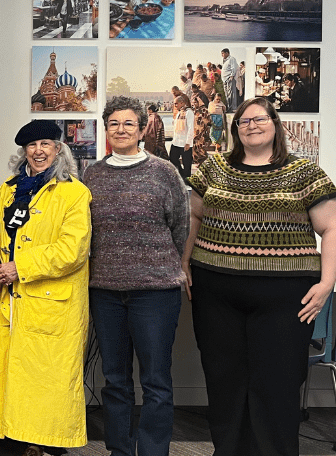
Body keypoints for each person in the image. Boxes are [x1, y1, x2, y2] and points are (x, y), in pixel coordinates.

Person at [183, 97, 336, 456]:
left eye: (260, 119)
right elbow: (192, 218)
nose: (252, 126)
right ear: (235, 129)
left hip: (286, 299)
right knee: (224, 381)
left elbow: (333, 228)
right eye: (243, 121)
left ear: (275, 124)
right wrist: (184, 263)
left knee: (277, 384)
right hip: (216, 294)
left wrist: (327, 283)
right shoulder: (213, 168)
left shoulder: (305, 173)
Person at [83, 97, 189, 456]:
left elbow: (180, 226)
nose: (121, 130)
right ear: (106, 129)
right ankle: (120, 451)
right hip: (105, 292)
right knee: (115, 380)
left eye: (129, 123)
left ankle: (154, 452)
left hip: (155, 293)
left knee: (156, 380)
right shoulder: (91, 174)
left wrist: (159, 265)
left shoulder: (164, 172)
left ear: (143, 129)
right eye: (114, 123)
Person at [0, 119, 92, 455]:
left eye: (46, 144)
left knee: (49, 388)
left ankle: (47, 448)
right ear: (24, 151)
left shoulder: (74, 192)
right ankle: (18, 445)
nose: (39, 151)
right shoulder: (9, 190)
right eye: (32, 145)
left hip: (51, 305)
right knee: (14, 385)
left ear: (59, 149)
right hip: (10, 301)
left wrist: (21, 267)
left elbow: (72, 251)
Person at [168, 94, 194, 180]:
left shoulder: (189, 112)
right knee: (172, 159)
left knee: (187, 163)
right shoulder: (179, 113)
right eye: (174, 104)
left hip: (185, 142)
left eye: (176, 104)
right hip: (176, 141)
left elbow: (190, 128)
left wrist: (188, 142)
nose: (175, 105)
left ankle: (187, 179)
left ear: (182, 103)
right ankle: (181, 174)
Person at [191, 94, 212, 166]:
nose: (194, 104)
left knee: (201, 148)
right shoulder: (194, 110)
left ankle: (203, 163)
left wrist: (205, 131)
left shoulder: (204, 110)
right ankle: (198, 162)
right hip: (195, 132)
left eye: (195, 102)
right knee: (195, 148)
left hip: (202, 133)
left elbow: (208, 122)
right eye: (193, 103)